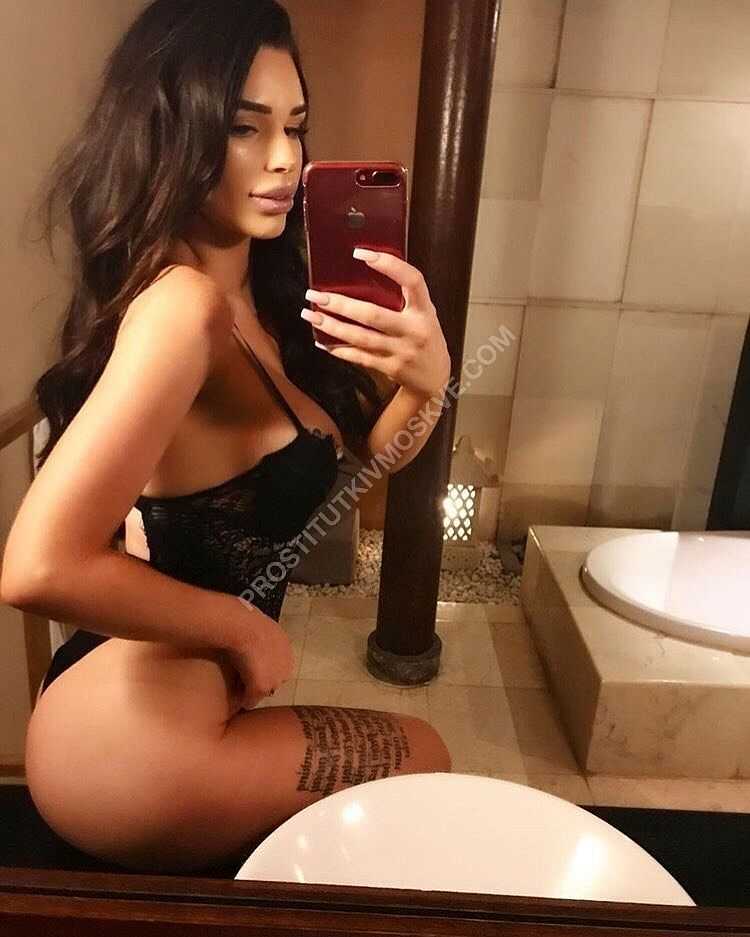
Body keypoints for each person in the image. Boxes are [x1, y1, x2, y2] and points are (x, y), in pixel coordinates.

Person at [0, 0, 452, 874]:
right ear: (171, 133)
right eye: (245, 129)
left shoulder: (259, 301)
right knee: (425, 759)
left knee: (415, 778)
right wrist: (239, 628)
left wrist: (427, 383)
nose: (284, 158)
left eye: (295, 127)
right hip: (128, 741)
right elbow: (36, 566)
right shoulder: (183, 309)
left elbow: (374, 460)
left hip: (160, 701)